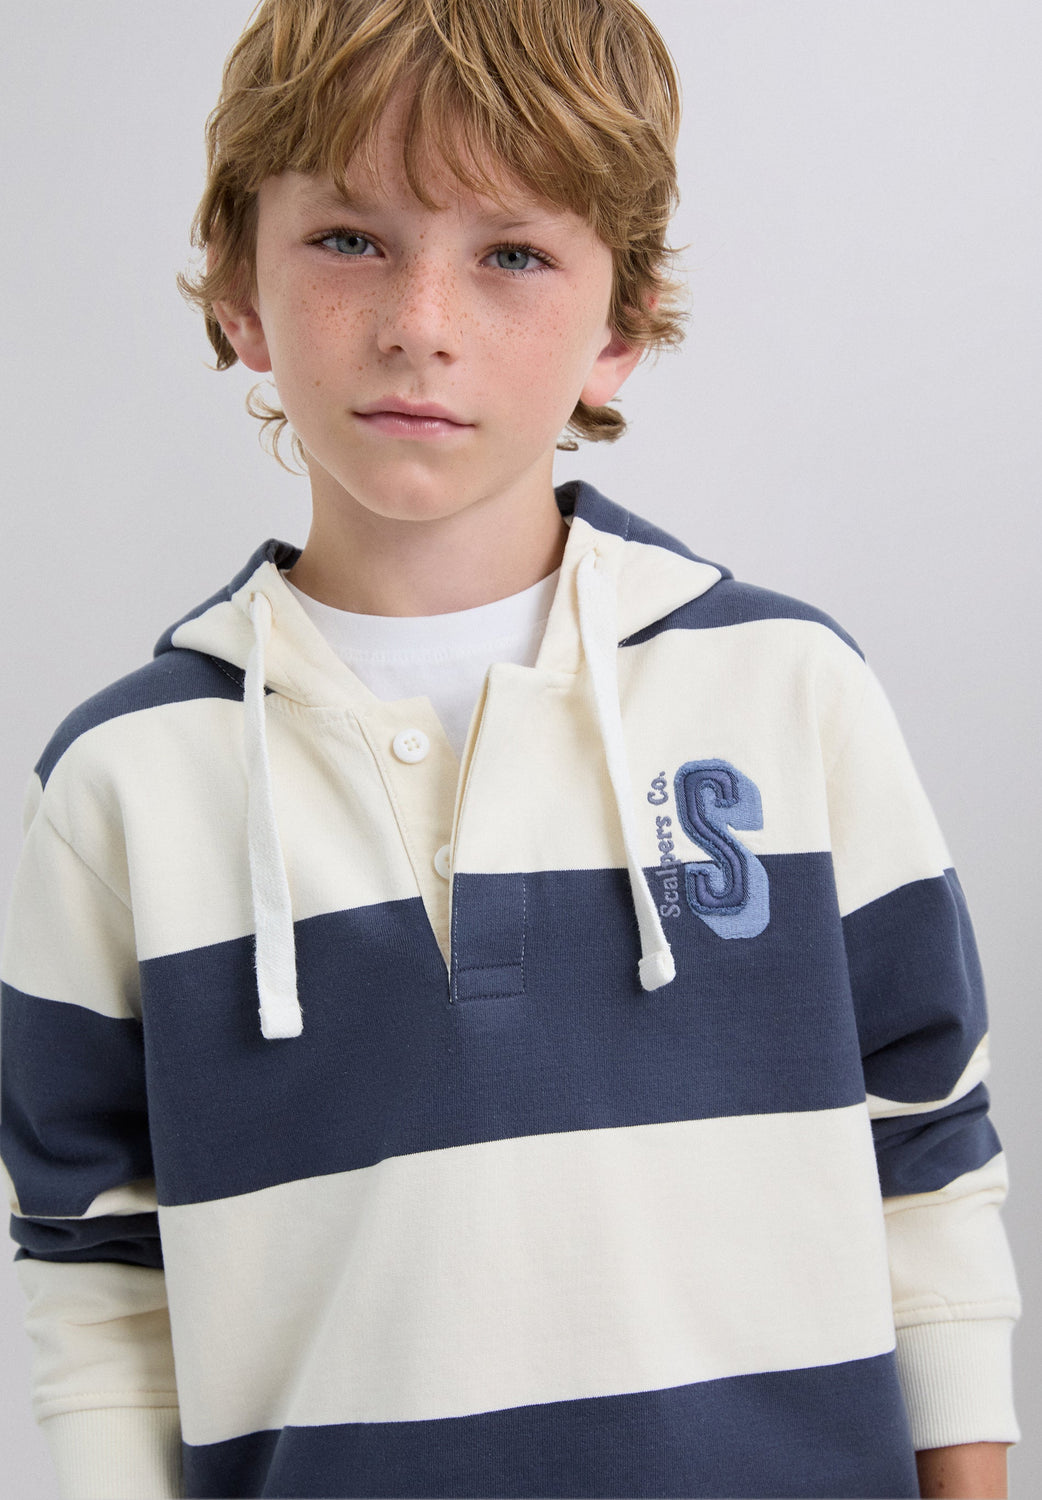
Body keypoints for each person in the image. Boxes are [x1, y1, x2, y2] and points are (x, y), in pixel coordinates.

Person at [0, 1, 1021, 1496]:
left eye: (512, 255)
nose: (421, 320)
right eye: (350, 239)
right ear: (237, 289)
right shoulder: (121, 784)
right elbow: (94, 1270)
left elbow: (924, 1152)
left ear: (621, 324)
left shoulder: (788, 690)